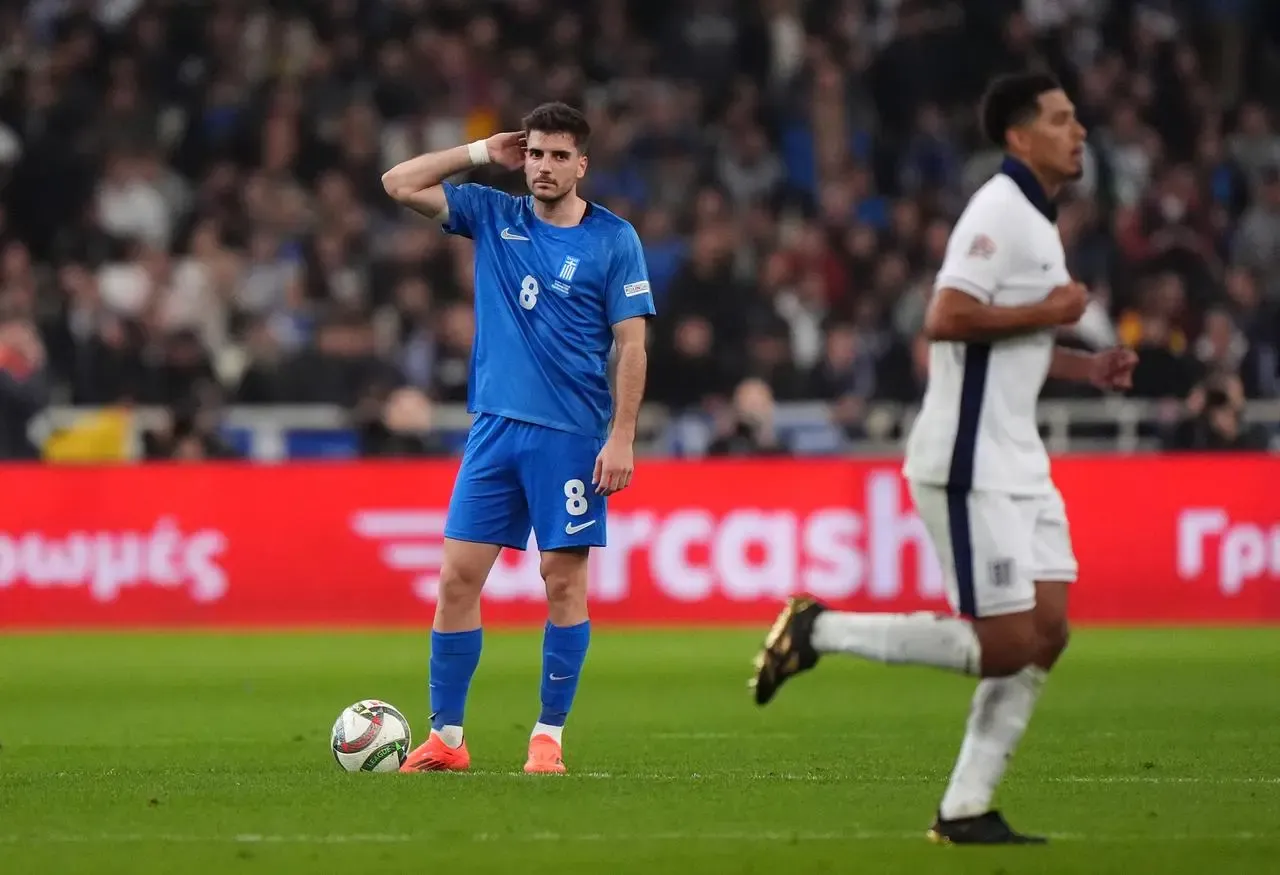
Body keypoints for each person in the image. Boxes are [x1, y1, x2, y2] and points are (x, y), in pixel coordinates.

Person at [749, 73, 1139, 844]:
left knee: (1048, 632)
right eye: (1062, 120)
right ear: (1020, 137)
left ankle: (966, 807)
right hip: (971, 460)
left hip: (1020, 458)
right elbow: (946, 316)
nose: (1080, 130)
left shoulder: (1037, 217)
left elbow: (1014, 338)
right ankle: (818, 629)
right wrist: (1054, 311)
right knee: (1003, 643)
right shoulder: (998, 210)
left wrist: (1081, 365)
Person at [381, 102, 655, 774]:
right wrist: (479, 152)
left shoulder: (614, 239)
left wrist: (622, 435)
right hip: (494, 430)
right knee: (455, 580)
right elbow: (397, 182)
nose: (544, 166)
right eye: (535, 153)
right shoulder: (493, 214)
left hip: (569, 436)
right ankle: (446, 737)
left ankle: (548, 736)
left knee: (561, 582)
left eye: (559, 155)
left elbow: (632, 343)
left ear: (581, 164)